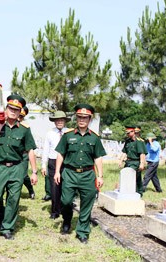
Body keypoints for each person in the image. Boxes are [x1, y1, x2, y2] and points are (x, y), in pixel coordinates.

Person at [0, 95, 38, 240]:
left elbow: (30, 151)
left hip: (16, 168)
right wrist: (0, 126)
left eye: (16, 110)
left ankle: (7, 228)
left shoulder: (24, 130)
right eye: (11, 108)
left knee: (13, 199)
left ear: (20, 112)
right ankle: (2, 218)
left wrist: (34, 172)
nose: (13, 112)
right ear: (6, 109)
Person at [54, 104, 105, 244]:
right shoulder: (68, 135)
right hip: (69, 173)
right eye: (79, 117)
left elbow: (98, 157)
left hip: (87, 175)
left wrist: (100, 175)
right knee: (65, 201)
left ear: (90, 119)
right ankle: (67, 220)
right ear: (76, 118)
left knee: (87, 203)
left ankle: (82, 231)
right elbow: (60, 154)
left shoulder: (95, 138)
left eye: (85, 117)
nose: (82, 119)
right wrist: (57, 171)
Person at [41, 110, 70, 219]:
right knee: (54, 188)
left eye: (61, 120)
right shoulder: (50, 133)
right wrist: (43, 165)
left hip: (66, 162)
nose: (59, 122)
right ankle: (55, 211)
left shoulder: (69, 132)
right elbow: (46, 150)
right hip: (53, 162)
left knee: (66, 187)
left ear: (65, 121)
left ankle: (65, 208)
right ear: (54, 122)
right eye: (57, 120)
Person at [118, 126, 147, 196]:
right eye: (126, 133)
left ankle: (136, 193)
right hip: (128, 162)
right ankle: (137, 192)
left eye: (128, 133)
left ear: (133, 132)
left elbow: (142, 153)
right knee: (134, 178)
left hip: (135, 162)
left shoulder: (139, 142)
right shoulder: (127, 141)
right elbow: (125, 152)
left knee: (132, 178)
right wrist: (120, 160)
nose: (127, 135)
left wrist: (142, 163)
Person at [18, 106, 36, 199]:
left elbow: (30, 146)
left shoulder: (25, 128)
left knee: (24, 175)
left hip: (23, 155)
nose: (18, 118)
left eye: (21, 116)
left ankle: (30, 190)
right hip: (13, 156)